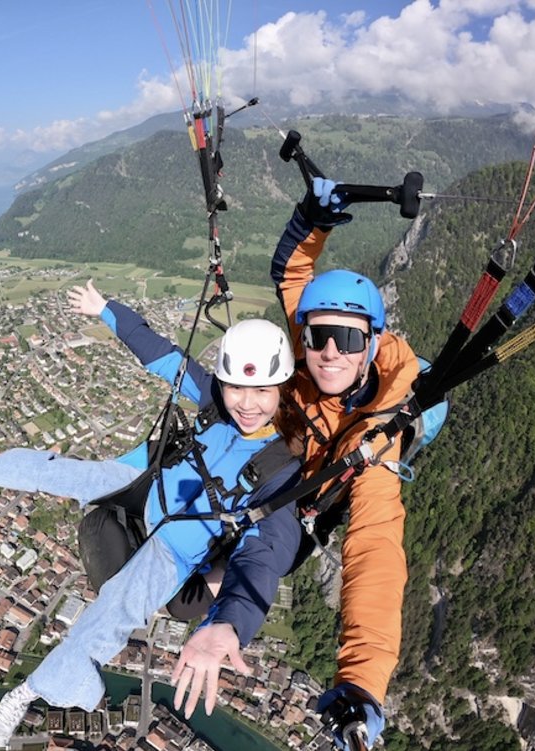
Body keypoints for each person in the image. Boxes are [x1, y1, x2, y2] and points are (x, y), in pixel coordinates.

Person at [0, 286, 305, 748]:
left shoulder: (280, 463)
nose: (247, 404)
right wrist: (107, 310)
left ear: (282, 388)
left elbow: (268, 552)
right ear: (224, 382)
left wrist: (232, 622)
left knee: (113, 611)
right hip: (146, 481)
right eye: (237, 387)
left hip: (176, 547)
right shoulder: (214, 399)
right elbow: (161, 355)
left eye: (262, 391)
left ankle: (26, 692)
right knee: (63, 472)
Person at [169, 178, 418, 750]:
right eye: (319, 336)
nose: (330, 352)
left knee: (193, 594)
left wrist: (361, 681)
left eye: (347, 340)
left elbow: (375, 553)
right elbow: (291, 273)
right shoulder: (308, 353)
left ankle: (223, 600)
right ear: (303, 335)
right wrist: (313, 217)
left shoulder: (378, 436)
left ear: (372, 344)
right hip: (268, 472)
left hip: (297, 507)